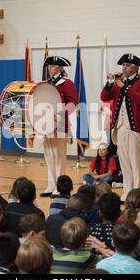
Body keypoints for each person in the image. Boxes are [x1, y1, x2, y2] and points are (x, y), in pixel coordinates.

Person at [101, 54, 140, 201]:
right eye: (123, 65)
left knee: (135, 162)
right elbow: (104, 97)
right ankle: (127, 190)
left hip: (135, 128)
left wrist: (125, 86)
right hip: (120, 127)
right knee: (124, 161)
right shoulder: (118, 83)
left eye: (127, 65)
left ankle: (137, 193)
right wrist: (109, 83)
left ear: (135, 67)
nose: (124, 68)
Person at [40, 56, 78, 197]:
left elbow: (73, 102)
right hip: (47, 124)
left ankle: (60, 187)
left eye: (53, 66)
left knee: (59, 156)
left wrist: (62, 114)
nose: (50, 69)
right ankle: (51, 185)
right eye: (49, 66)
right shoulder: (47, 83)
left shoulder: (66, 83)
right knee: (49, 155)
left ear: (61, 68)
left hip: (61, 124)